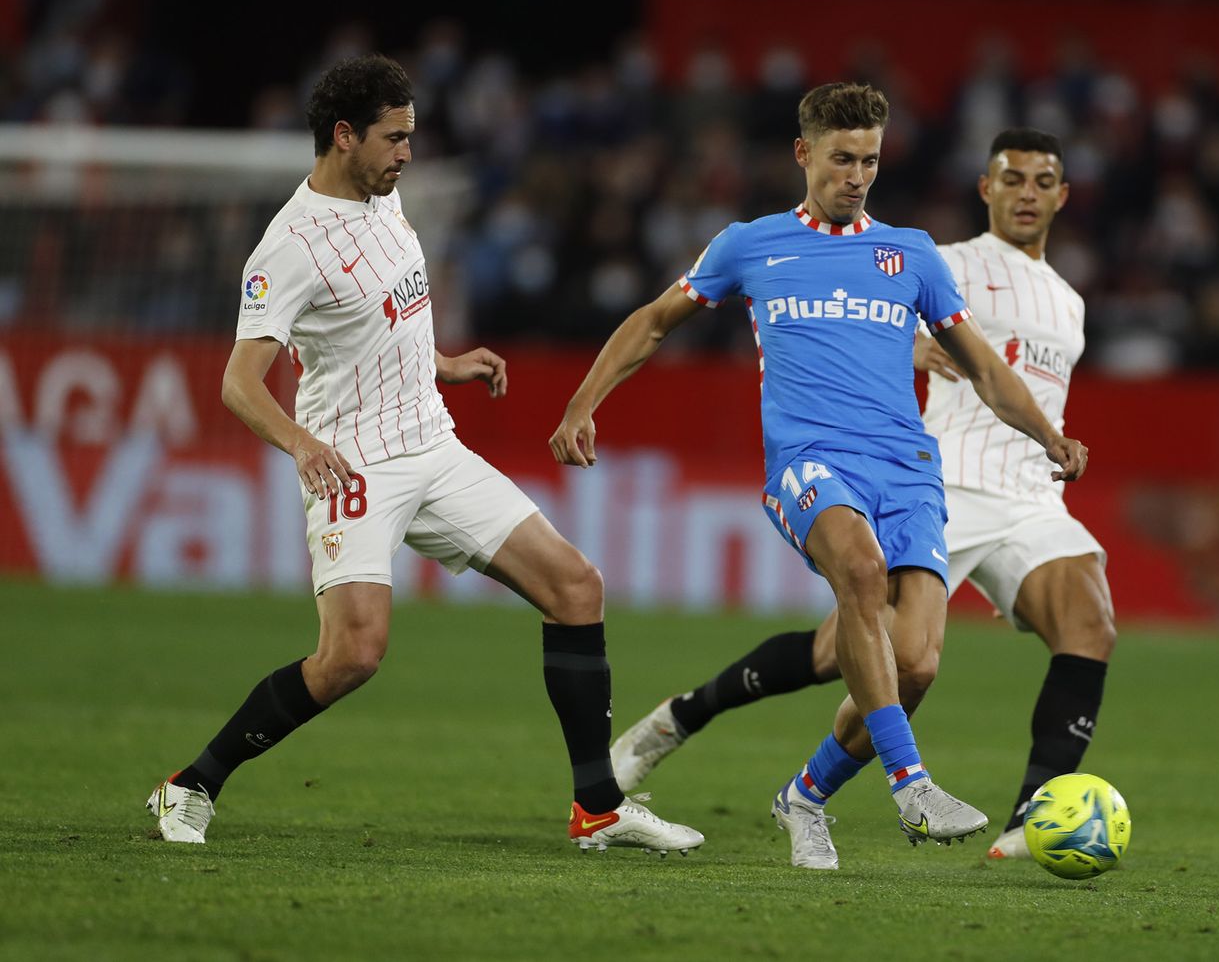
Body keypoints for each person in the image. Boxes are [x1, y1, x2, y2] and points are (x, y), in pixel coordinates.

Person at [145, 54, 701, 857]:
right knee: (352, 655)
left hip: (432, 444)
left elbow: (377, 319)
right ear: (344, 137)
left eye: (410, 137)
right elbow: (239, 382)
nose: (407, 153)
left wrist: (441, 363)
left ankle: (598, 808)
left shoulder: (387, 199)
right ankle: (191, 783)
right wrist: (303, 446)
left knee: (577, 588)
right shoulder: (288, 247)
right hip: (354, 463)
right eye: (394, 138)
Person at [552, 84, 1088, 870]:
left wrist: (1049, 434)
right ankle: (912, 784)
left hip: (908, 470)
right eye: (843, 159)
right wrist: (581, 404)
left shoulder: (911, 254)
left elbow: (984, 367)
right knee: (861, 574)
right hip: (810, 464)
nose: (858, 175)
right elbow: (654, 321)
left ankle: (804, 795)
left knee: (917, 666)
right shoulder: (750, 243)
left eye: (870, 160)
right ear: (804, 155)